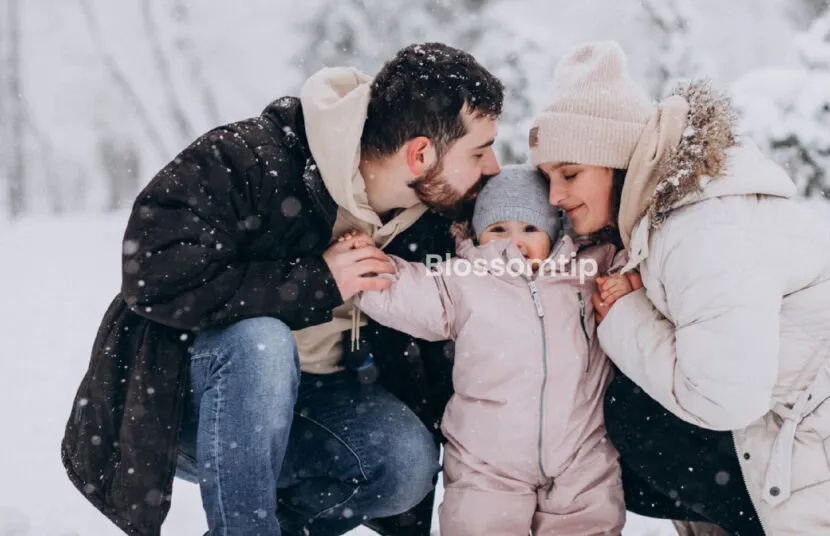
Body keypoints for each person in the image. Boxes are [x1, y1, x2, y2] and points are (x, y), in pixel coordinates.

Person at [530, 41, 830, 535]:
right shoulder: (678, 215)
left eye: (571, 173)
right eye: (547, 178)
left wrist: (628, 315)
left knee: (631, 420)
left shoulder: (702, 227)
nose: (557, 196)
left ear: (620, 163)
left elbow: (723, 398)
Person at [60, 42, 503, 536]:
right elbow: (152, 274)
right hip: (190, 410)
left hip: (320, 404)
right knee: (261, 342)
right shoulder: (249, 160)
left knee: (405, 465)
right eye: (480, 151)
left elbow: (530, 242)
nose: (494, 169)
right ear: (420, 154)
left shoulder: (440, 218)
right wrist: (316, 281)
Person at [348, 165, 629, 535]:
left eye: (530, 228)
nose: (515, 242)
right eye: (499, 230)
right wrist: (365, 266)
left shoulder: (588, 270)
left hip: (581, 453)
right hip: (487, 462)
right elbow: (409, 291)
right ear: (479, 235)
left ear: (555, 229)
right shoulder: (464, 280)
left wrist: (627, 283)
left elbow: (636, 262)